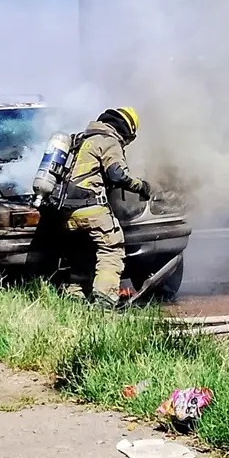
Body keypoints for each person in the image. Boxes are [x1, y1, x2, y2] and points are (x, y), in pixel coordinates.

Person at [60, 107, 152, 308]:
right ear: (127, 129)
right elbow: (117, 175)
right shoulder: (108, 140)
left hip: (67, 212)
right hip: (91, 207)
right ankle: (104, 304)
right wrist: (142, 186)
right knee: (112, 250)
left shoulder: (80, 140)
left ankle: (74, 302)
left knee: (81, 256)